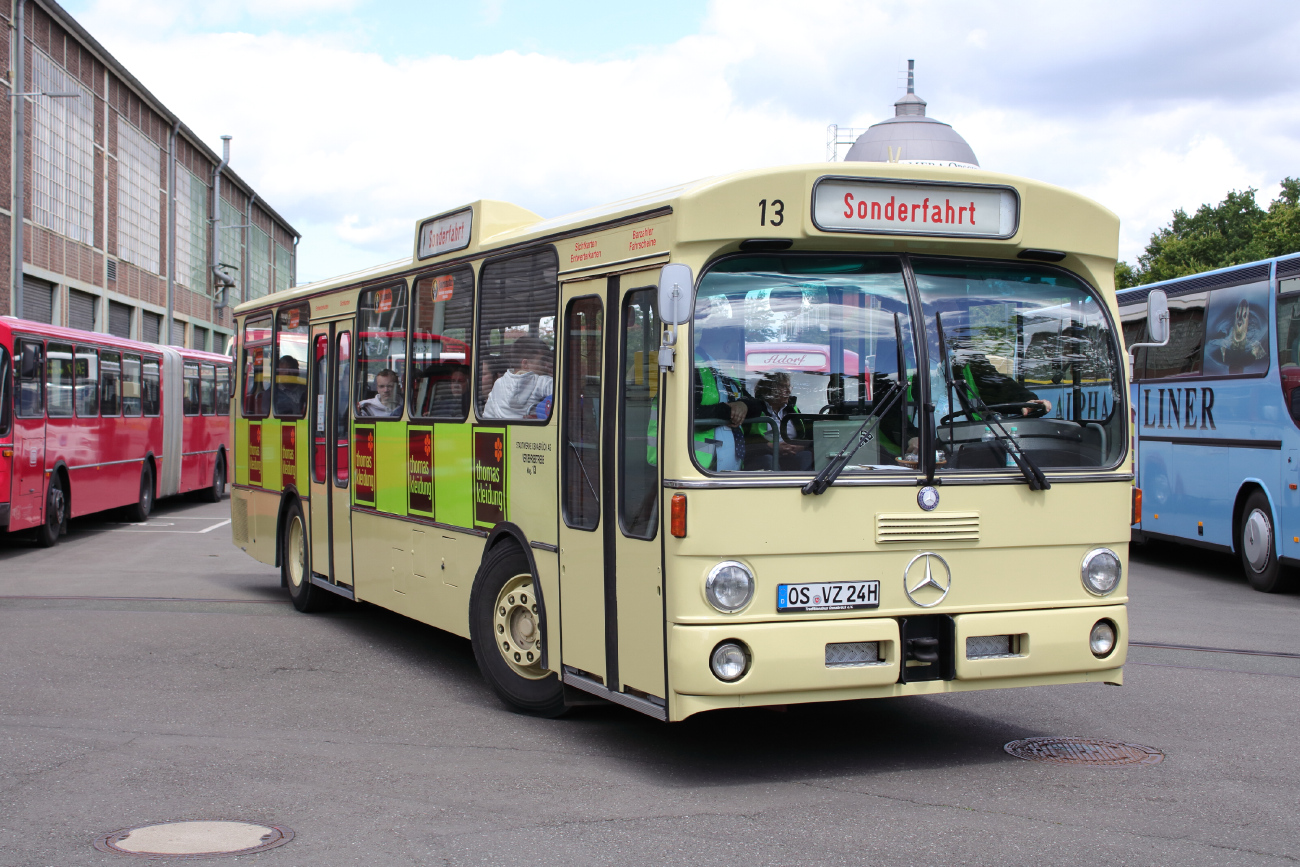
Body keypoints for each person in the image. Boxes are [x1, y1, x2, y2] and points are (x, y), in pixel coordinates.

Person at [693, 322, 762, 471]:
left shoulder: (724, 371)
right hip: (700, 468)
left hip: (726, 468)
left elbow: (757, 405)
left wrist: (743, 405)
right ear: (728, 346)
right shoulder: (692, 366)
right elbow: (688, 414)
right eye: (737, 344)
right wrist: (729, 411)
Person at [744, 371, 812, 471]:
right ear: (769, 390)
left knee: (807, 455)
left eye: (789, 387)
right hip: (763, 455)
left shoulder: (792, 409)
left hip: (792, 454)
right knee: (768, 460)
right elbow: (745, 440)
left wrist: (801, 446)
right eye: (783, 387)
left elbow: (805, 435)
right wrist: (770, 447)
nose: (788, 391)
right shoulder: (754, 410)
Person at [482, 337, 554, 419]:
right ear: (525, 364)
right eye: (543, 361)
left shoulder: (498, 384)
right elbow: (566, 398)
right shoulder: (543, 382)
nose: (547, 365)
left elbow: (487, 417)